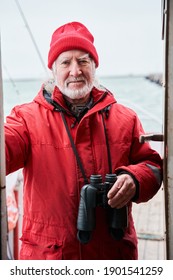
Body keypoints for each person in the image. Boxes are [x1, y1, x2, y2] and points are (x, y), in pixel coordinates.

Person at [4, 21, 162, 260]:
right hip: (49, 260)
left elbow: (153, 166)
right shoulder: (25, 118)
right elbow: (5, 150)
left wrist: (133, 179)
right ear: (53, 69)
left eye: (83, 61)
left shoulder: (126, 118)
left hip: (113, 257)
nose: (75, 71)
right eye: (66, 62)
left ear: (94, 67)